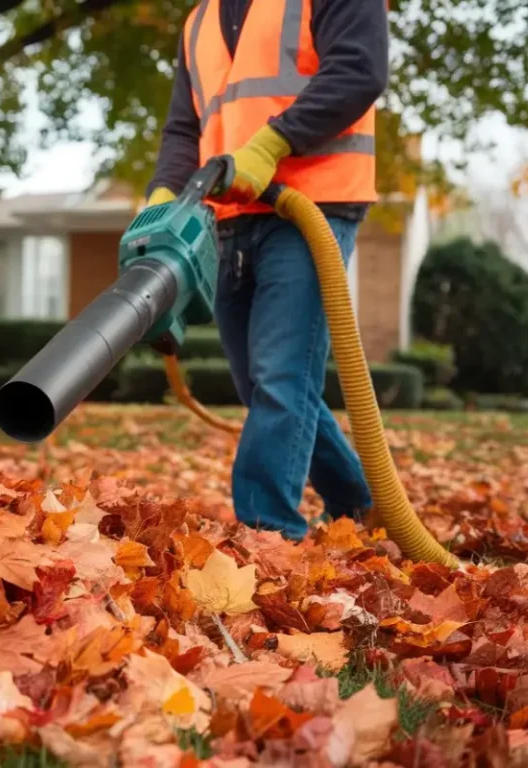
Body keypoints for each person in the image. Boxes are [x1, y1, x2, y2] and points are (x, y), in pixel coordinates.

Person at [145, 0, 389, 540]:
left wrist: (272, 143)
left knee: (280, 375)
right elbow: (185, 128)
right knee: (265, 383)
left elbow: (359, 71)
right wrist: (162, 196)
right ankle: (354, 501)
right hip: (230, 215)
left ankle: (266, 534)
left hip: (311, 204)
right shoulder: (199, 21)